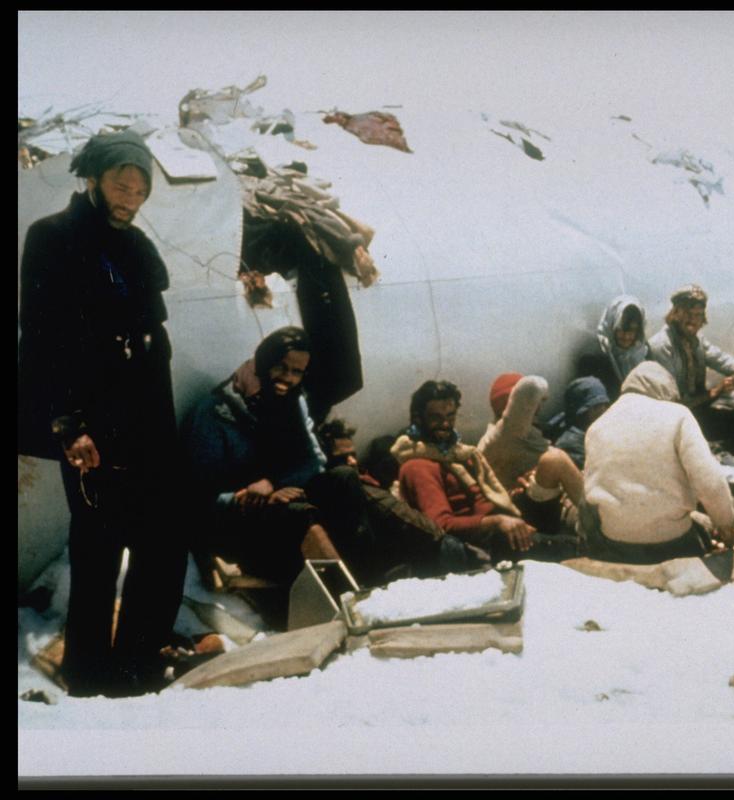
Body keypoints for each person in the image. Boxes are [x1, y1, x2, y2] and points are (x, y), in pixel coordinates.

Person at [17, 130, 186, 697]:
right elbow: (40, 342)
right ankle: (89, 675)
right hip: (91, 424)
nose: (132, 197)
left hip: (146, 421)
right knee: (99, 547)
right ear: (93, 179)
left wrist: (163, 430)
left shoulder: (135, 247)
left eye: (141, 189)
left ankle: (136, 664)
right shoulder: (52, 238)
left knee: (163, 542)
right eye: (122, 183)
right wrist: (69, 426)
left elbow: (150, 338)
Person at [184, 327, 341, 591]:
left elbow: (314, 460)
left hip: (275, 496)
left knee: (342, 481)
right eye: (281, 368)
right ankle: (338, 592)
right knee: (300, 515)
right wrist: (247, 495)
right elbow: (199, 497)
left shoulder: (289, 401)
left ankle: (372, 573)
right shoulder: (214, 414)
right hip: (236, 518)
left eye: (296, 372)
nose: (288, 378)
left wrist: (274, 484)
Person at [393, 380, 577, 561]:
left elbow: (481, 496)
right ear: (418, 419)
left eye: (450, 417)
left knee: (553, 462)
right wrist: (498, 522)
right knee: (575, 548)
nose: (445, 424)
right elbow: (442, 524)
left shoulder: (457, 454)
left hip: (503, 522)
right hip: (489, 541)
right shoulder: (418, 466)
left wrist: (510, 494)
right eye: (436, 418)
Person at [581, 361, 734, 564]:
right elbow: (710, 482)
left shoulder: (596, 427)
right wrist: (725, 524)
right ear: (665, 389)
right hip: (670, 543)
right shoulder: (678, 415)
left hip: (615, 541)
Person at [310, 419, 461, 584]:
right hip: (393, 567)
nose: (352, 462)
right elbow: (428, 530)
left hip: (401, 557)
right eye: (342, 458)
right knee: (449, 546)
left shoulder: (370, 478)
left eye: (353, 455)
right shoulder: (360, 489)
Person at [647, 284, 734, 465]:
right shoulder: (662, 346)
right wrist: (716, 391)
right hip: (675, 420)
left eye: (699, 315)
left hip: (696, 410)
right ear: (676, 313)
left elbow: (723, 360)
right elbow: (674, 403)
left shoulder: (695, 341)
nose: (694, 320)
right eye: (688, 314)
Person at [478, 373, 586, 532]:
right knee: (555, 460)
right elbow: (530, 388)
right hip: (528, 512)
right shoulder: (503, 436)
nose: (539, 407)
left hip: (550, 503)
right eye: (537, 403)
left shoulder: (525, 437)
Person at [576, 294, 650, 401]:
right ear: (611, 326)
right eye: (621, 329)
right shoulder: (593, 361)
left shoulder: (644, 354)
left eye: (632, 331)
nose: (626, 337)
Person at [549, 377, 611, 469]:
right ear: (582, 412)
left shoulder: (595, 432)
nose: (603, 410)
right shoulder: (570, 443)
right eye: (597, 406)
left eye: (605, 405)